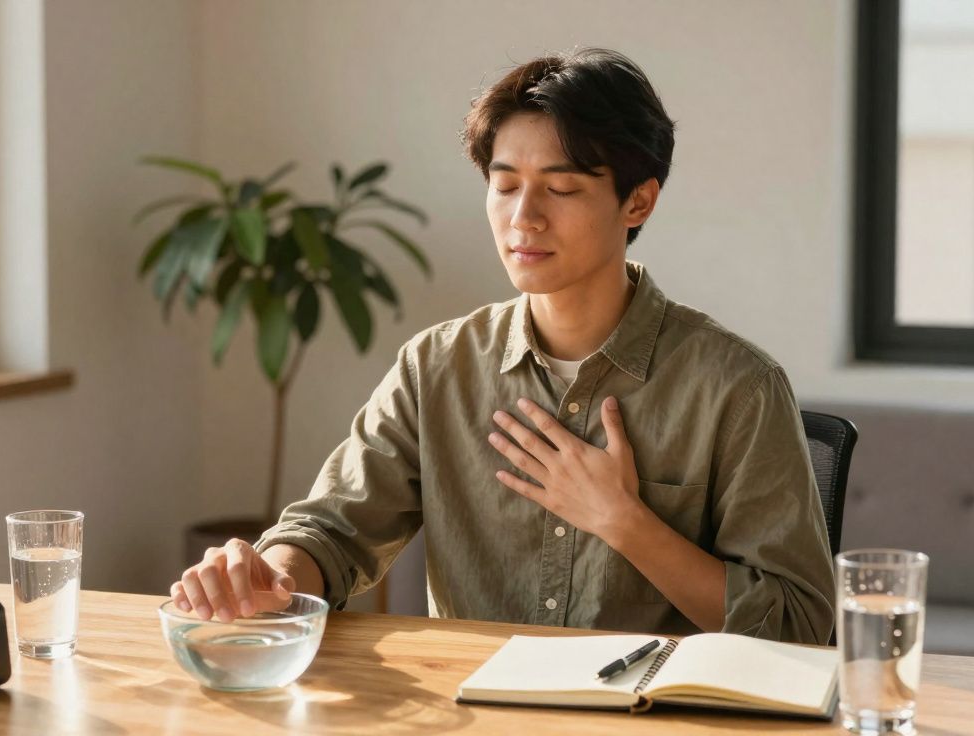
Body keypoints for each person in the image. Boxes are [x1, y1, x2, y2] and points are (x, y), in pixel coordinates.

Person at [171, 47, 836, 644]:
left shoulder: (738, 386)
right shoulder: (435, 368)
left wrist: (625, 522)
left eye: (562, 187)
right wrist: (269, 577)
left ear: (638, 203)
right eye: (506, 182)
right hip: (470, 713)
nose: (525, 217)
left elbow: (803, 627)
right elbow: (332, 535)